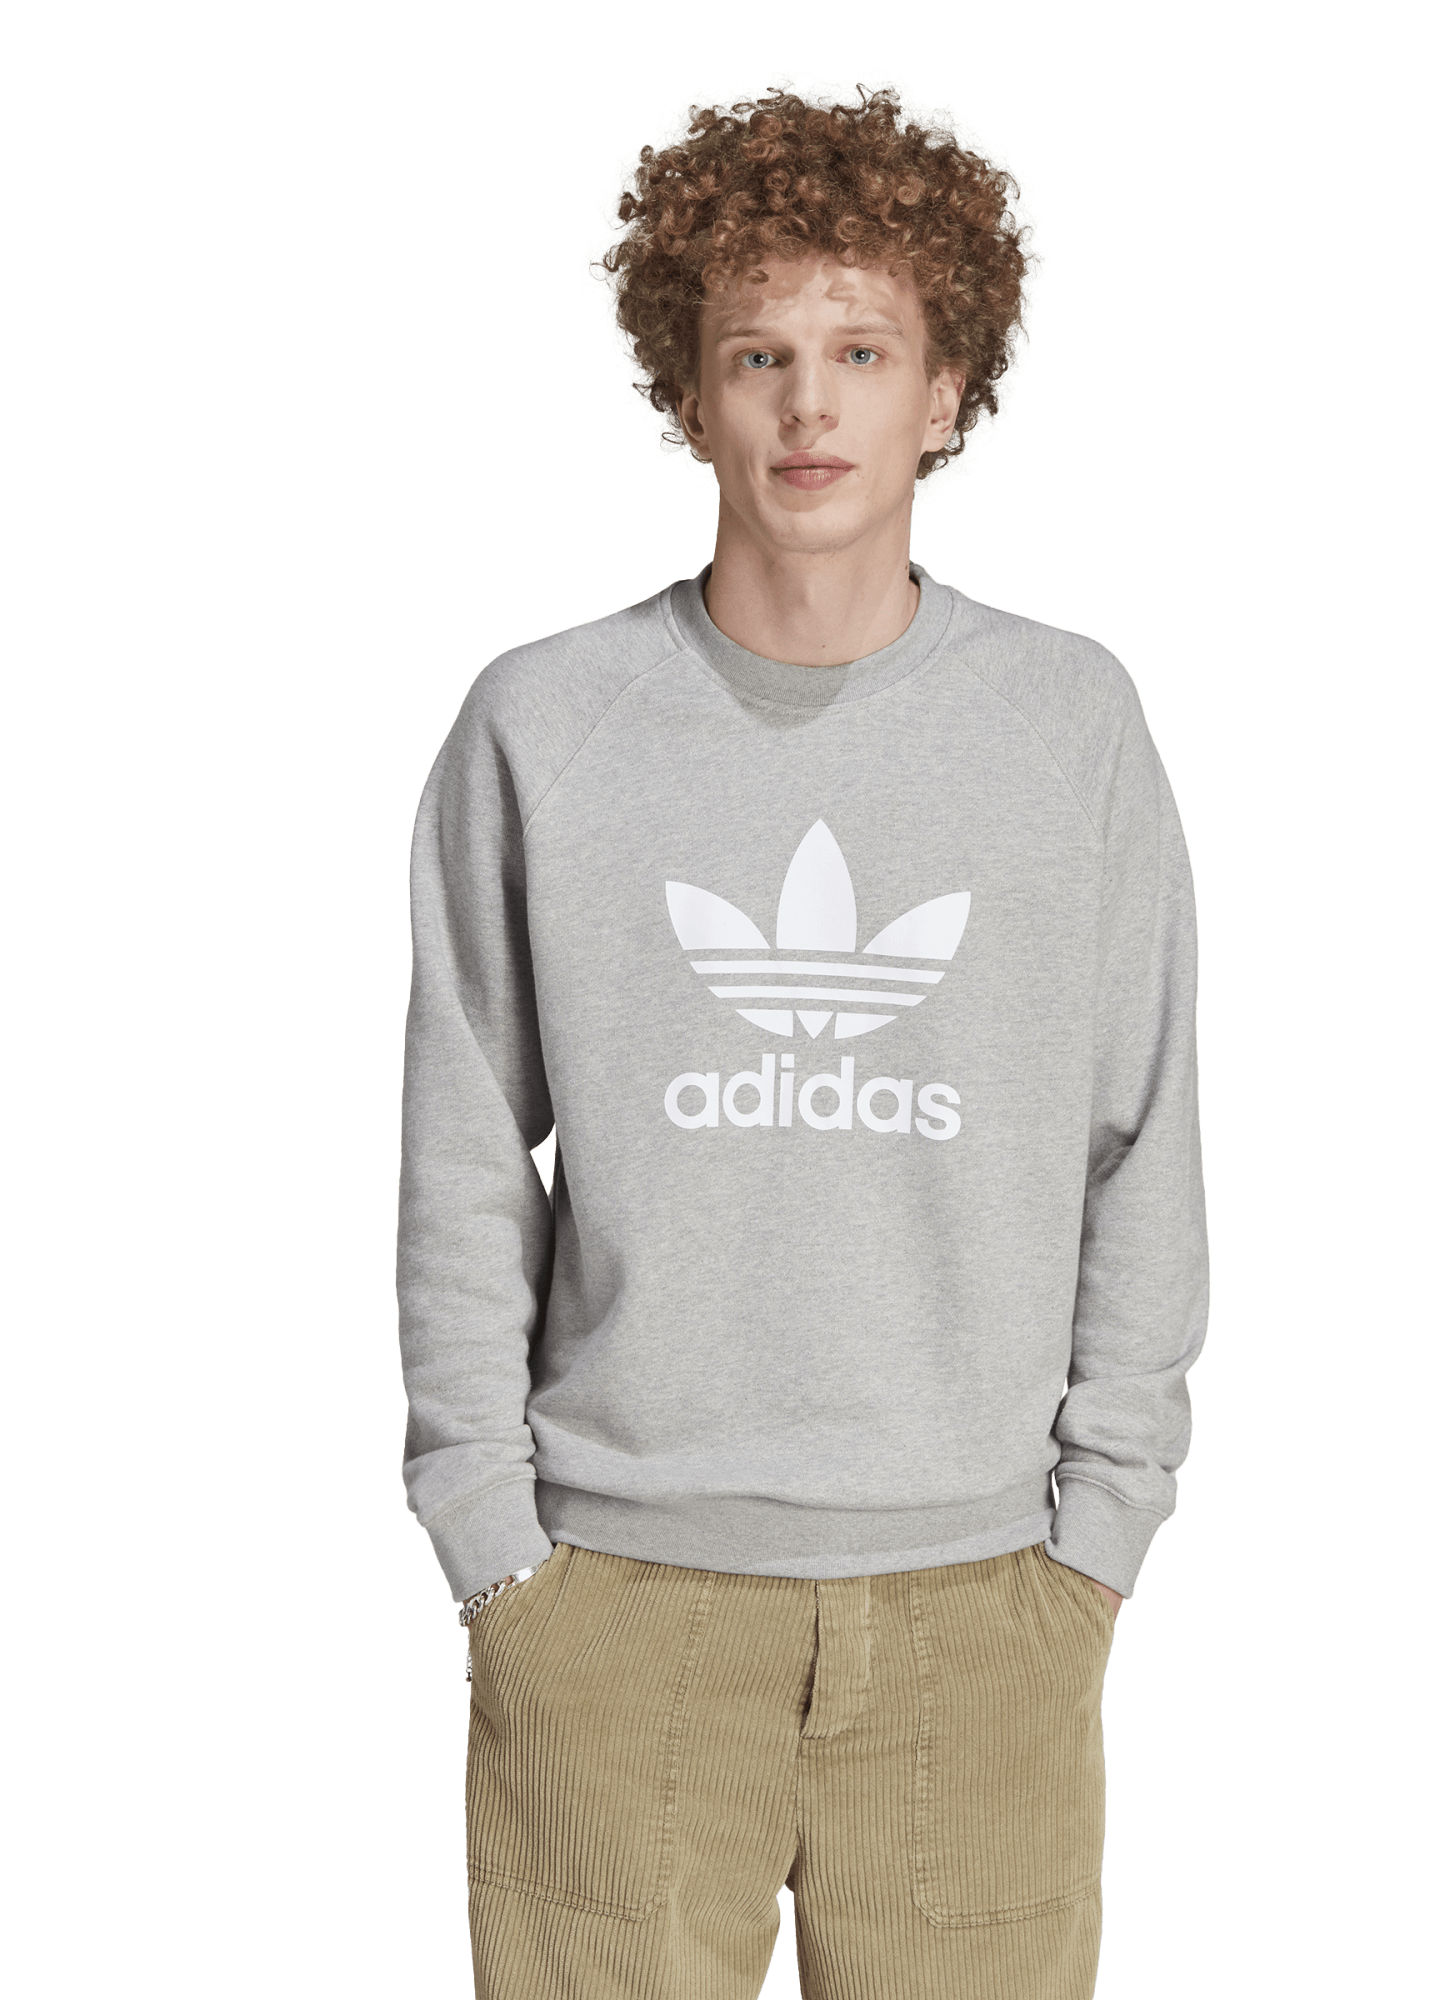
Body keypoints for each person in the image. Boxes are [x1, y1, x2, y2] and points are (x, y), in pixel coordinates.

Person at [396, 70, 1210, 2000]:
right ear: (687, 394)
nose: (810, 406)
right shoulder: (541, 721)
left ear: (949, 391)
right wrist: (491, 1541)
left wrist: (1100, 1535)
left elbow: (1145, 1138)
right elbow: (456, 1148)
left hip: (984, 1608)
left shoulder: (1072, 724)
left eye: (863, 351)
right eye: (758, 354)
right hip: (613, 1596)